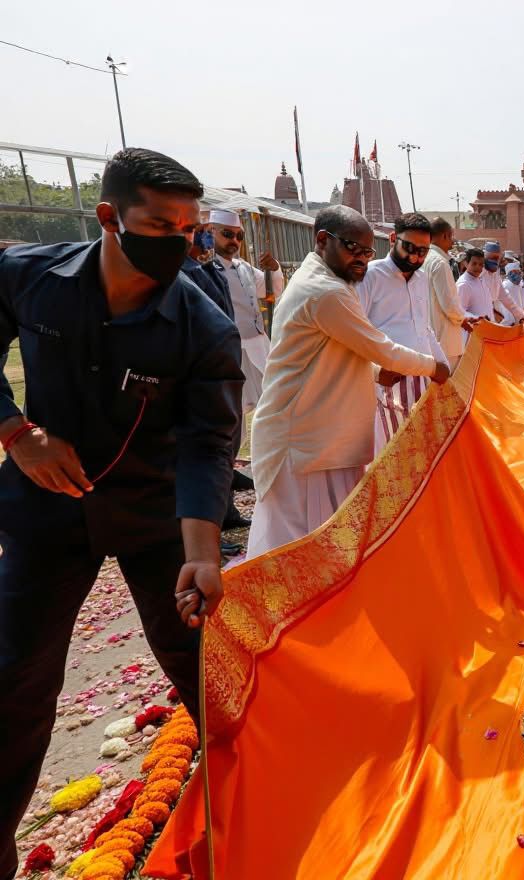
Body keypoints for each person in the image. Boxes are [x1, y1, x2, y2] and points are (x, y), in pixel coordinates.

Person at [0, 148, 244, 880]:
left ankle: (267, 805)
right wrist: (16, 432)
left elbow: (209, 443)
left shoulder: (204, 327)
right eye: (160, 224)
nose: (180, 242)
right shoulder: (29, 279)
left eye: (190, 229)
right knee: (15, 684)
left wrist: (201, 552)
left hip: (156, 519)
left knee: (205, 672)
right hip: (46, 516)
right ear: (109, 218)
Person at [247, 207, 449, 559]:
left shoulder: (333, 283)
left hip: (324, 436)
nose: (361, 259)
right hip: (303, 442)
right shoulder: (325, 291)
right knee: (297, 554)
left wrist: (373, 372)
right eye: (353, 248)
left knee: (330, 547)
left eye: (367, 252)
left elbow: (336, 348)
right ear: (323, 240)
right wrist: (435, 367)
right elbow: (377, 345)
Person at [181, 217, 250, 540]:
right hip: (197, 374)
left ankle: (225, 513)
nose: (204, 240)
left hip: (222, 366)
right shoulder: (181, 271)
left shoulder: (209, 268)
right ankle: (209, 529)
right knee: (205, 451)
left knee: (228, 440)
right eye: (202, 233)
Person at [359, 213, 451, 450]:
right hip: (387, 385)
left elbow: (424, 328)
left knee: (421, 450)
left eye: (423, 251)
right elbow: (355, 335)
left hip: (422, 379)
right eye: (409, 247)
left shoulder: (421, 278)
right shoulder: (369, 277)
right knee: (390, 453)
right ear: (393, 238)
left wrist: (442, 366)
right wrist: (376, 371)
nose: (415, 256)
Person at [210, 209, 284, 414]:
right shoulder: (204, 270)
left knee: (274, 402)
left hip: (258, 345)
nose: (234, 240)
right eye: (227, 234)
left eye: (239, 236)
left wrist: (274, 267)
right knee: (233, 411)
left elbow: (273, 290)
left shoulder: (244, 267)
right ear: (211, 232)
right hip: (230, 350)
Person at [424, 218, 474, 371]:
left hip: (432, 338)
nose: (452, 241)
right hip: (445, 341)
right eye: (451, 236)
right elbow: (449, 306)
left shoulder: (425, 259)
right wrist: (464, 320)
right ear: (445, 236)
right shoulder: (439, 263)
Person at [457, 247, 494, 335]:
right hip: (471, 334)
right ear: (466, 263)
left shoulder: (481, 280)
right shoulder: (464, 285)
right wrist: (477, 318)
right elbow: (458, 312)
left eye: (481, 264)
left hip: (487, 332)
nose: (478, 267)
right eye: (474, 263)